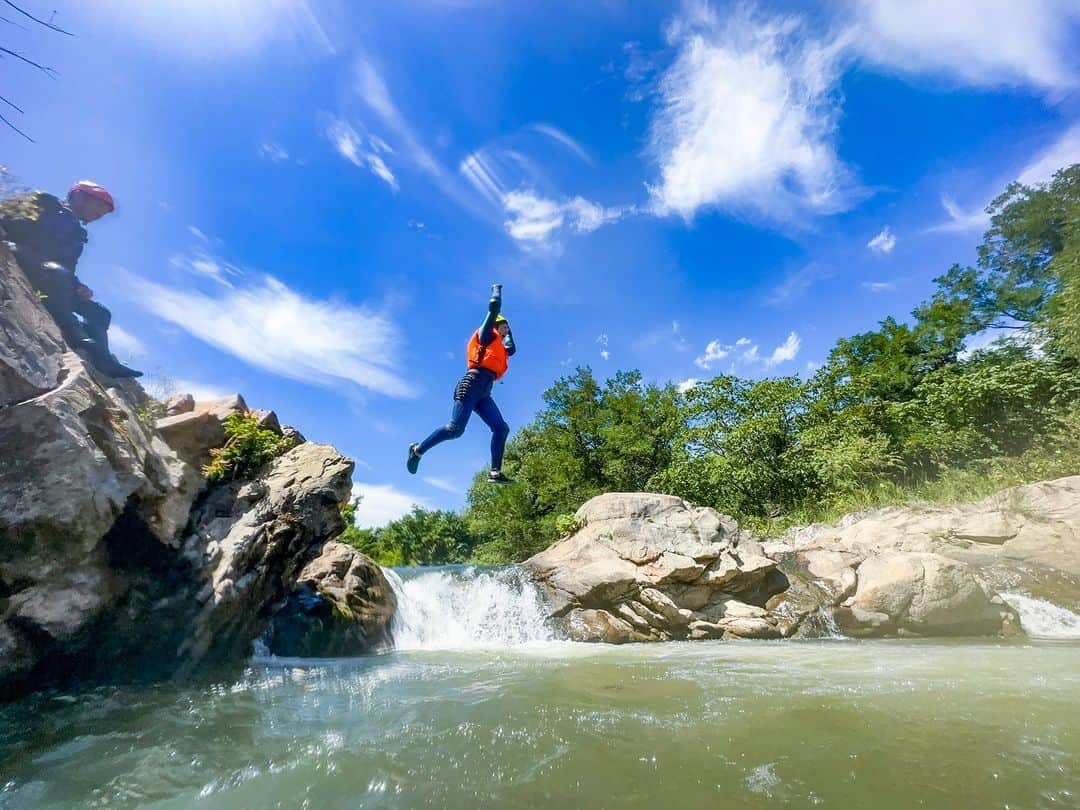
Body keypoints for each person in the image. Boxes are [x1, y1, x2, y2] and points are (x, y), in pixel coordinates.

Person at [0, 180, 141, 378]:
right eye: (98, 206)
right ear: (79, 196)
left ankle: (104, 361)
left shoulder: (77, 237)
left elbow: (68, 269)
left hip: (53, 276)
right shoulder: (44, 202)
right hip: (17, 253)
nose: (100, 215)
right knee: (58, 274)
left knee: (100, 313)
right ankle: (77, 335)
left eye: (103, 213)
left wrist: (79, 287)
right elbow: (7, 219)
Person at [407, 283, 516, 484]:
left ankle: (495, 473)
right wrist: (496, 290)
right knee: (455, 429)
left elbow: (511, 348)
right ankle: (417, 451)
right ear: (495, 325)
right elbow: (494, 308)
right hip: (471, 383)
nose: (506, 329)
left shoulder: (500, 344)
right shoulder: (486, 335)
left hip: (484, 391)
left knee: (501, 429)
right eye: (504, 326)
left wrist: (508, 331)